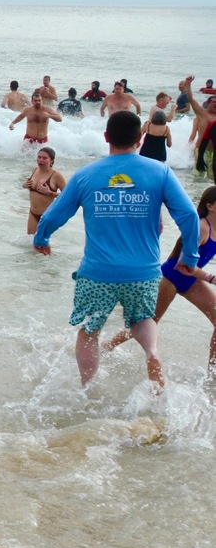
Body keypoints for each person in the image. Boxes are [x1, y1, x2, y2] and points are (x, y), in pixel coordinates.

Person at [35, 111, 202, 388]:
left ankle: (87, 388)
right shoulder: (160, 171)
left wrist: (42, 238)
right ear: (140, 138)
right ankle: (152, 353)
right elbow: (188, 216)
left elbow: (55, 214)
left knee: (90, 330)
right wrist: (190, 255)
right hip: (143, 273)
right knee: (143, 319)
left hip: (97, 273)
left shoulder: (86, 174)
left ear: (105, 137)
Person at [102, 186, 216, 372]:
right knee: (148, 324)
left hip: (191, 281)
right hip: (170, 278)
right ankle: (107, 345)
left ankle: (212, 371)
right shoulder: (202, 227)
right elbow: (183, 263)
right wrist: (211, 278)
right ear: (210, 206)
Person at [23, 147, 66, 235]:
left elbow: (68, 195)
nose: (40, 160)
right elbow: (26, 185)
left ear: (52, 161)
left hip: (47, 215)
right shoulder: (34, 170)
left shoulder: (56, 175)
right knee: (30, 242)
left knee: (42, 244)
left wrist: (50, 193)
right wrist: (25, 185)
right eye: (39, 157)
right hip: (32, 213)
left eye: (44, 158)